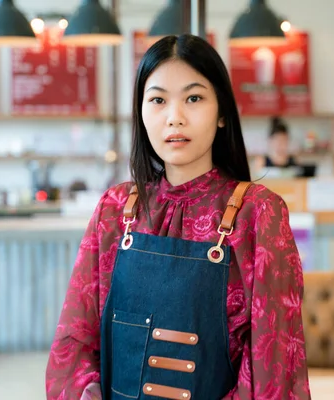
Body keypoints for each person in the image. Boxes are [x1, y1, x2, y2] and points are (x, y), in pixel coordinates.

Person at [46, 34, 310, 400]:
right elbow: (74, 339)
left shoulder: (258, 213)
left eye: (194, 98)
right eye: (157, 100)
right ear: (141, 112)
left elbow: (274, 364)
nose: (175, 117)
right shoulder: (115, 209)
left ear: (221, 114)